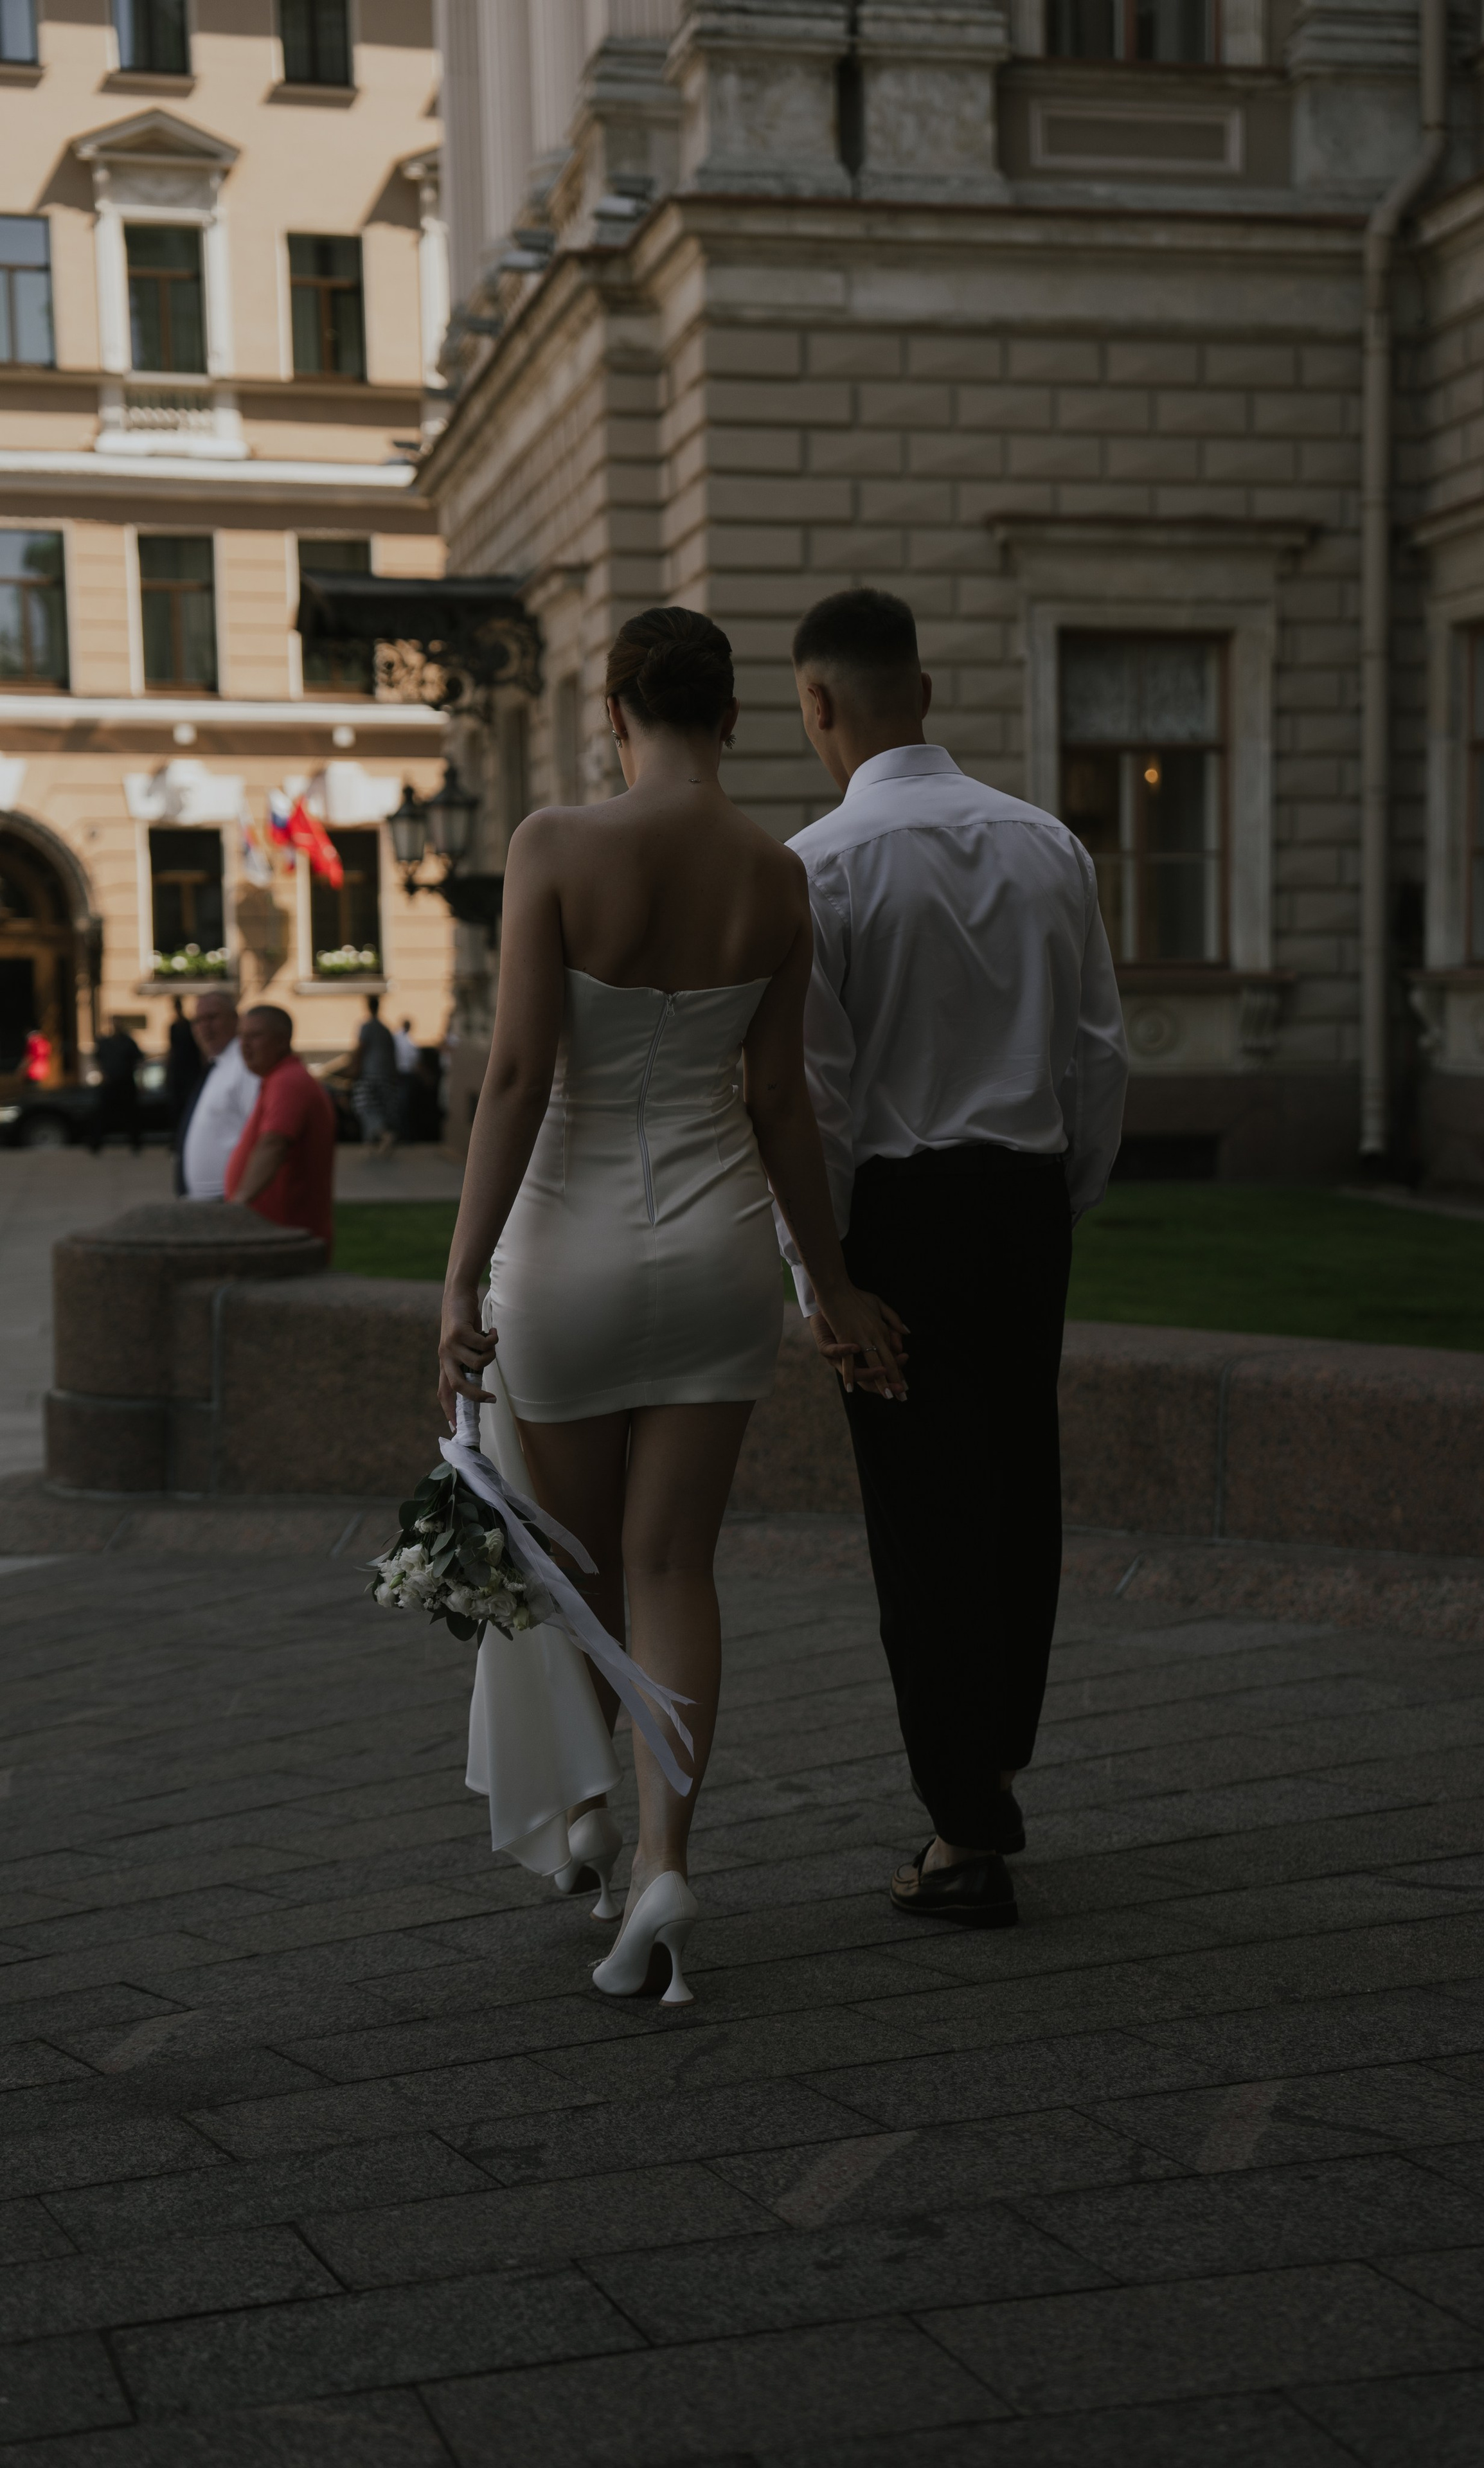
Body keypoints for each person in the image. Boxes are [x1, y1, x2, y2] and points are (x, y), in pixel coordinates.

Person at [438, 606, 906, 2007]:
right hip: (712, 1259)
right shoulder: (774, 874)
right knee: (672, 1573)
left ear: (616, 718)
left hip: (566, 1253)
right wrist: (830, 1286)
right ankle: (658, 1862)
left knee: (577, 1570)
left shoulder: (553, 847)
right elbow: (779, 1107)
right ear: (734, 719)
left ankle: (587, 1803)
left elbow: (517, 1076)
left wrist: (457, 1279)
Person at [783, 586, 1128, 1931]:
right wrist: (1058, 1195)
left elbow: (810, 1096)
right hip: (1026, 1201)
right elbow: (1098, 1054)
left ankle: (963, 1828)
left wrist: (822, 1274)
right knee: (1014, 1494)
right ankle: (986, 1767)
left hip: (900, 1216)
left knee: (920, 1520)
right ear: (921, 694)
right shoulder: (1048, 843)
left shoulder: (816, 865)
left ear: (818, 706)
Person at [225, 1005, 337, 1254]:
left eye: (255, 1036)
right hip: (276, 1236)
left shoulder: (287, 1081)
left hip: (284, 1240)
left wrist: (238, 1204)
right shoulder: (280, 1079)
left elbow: (274, 1144)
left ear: (282, 1041)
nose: (244, 1045)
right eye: (241, 1036)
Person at [175, 989, 258, 1199]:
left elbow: (261, 1136)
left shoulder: (244, 1065)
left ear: (235, 1020)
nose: (205, 1028)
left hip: (229, 1201)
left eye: (212, 1018)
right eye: (198, 1021)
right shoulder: (219, 1064)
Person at [351, 992, 400, 1157]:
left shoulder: (368, 1027)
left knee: (365, 1106)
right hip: (386, 1075)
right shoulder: (386, 1029)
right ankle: (373, 1142)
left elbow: (361, 1049)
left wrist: (355, 1069)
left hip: (370, 1074)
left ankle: (383, 1134)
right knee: (382, 1107)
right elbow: (393, 1054)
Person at [88, 1023, 143, 1155]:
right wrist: (103, 1073)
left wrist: (139, 1080)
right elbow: (97, 1058)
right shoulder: (105, 1043)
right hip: (110, 1084)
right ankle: (96, 1144)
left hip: (126, 1084)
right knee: (102, 1114)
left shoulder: (128, 1043)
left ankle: (136, 1144)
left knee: (131, 1115)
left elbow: (139, 1060)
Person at [165, 994, 202, 1130]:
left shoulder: (189, 1026)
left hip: (190, 1070)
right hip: (178, 1071)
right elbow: (172, 1049)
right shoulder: (174, 1027)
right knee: (176, 1106)